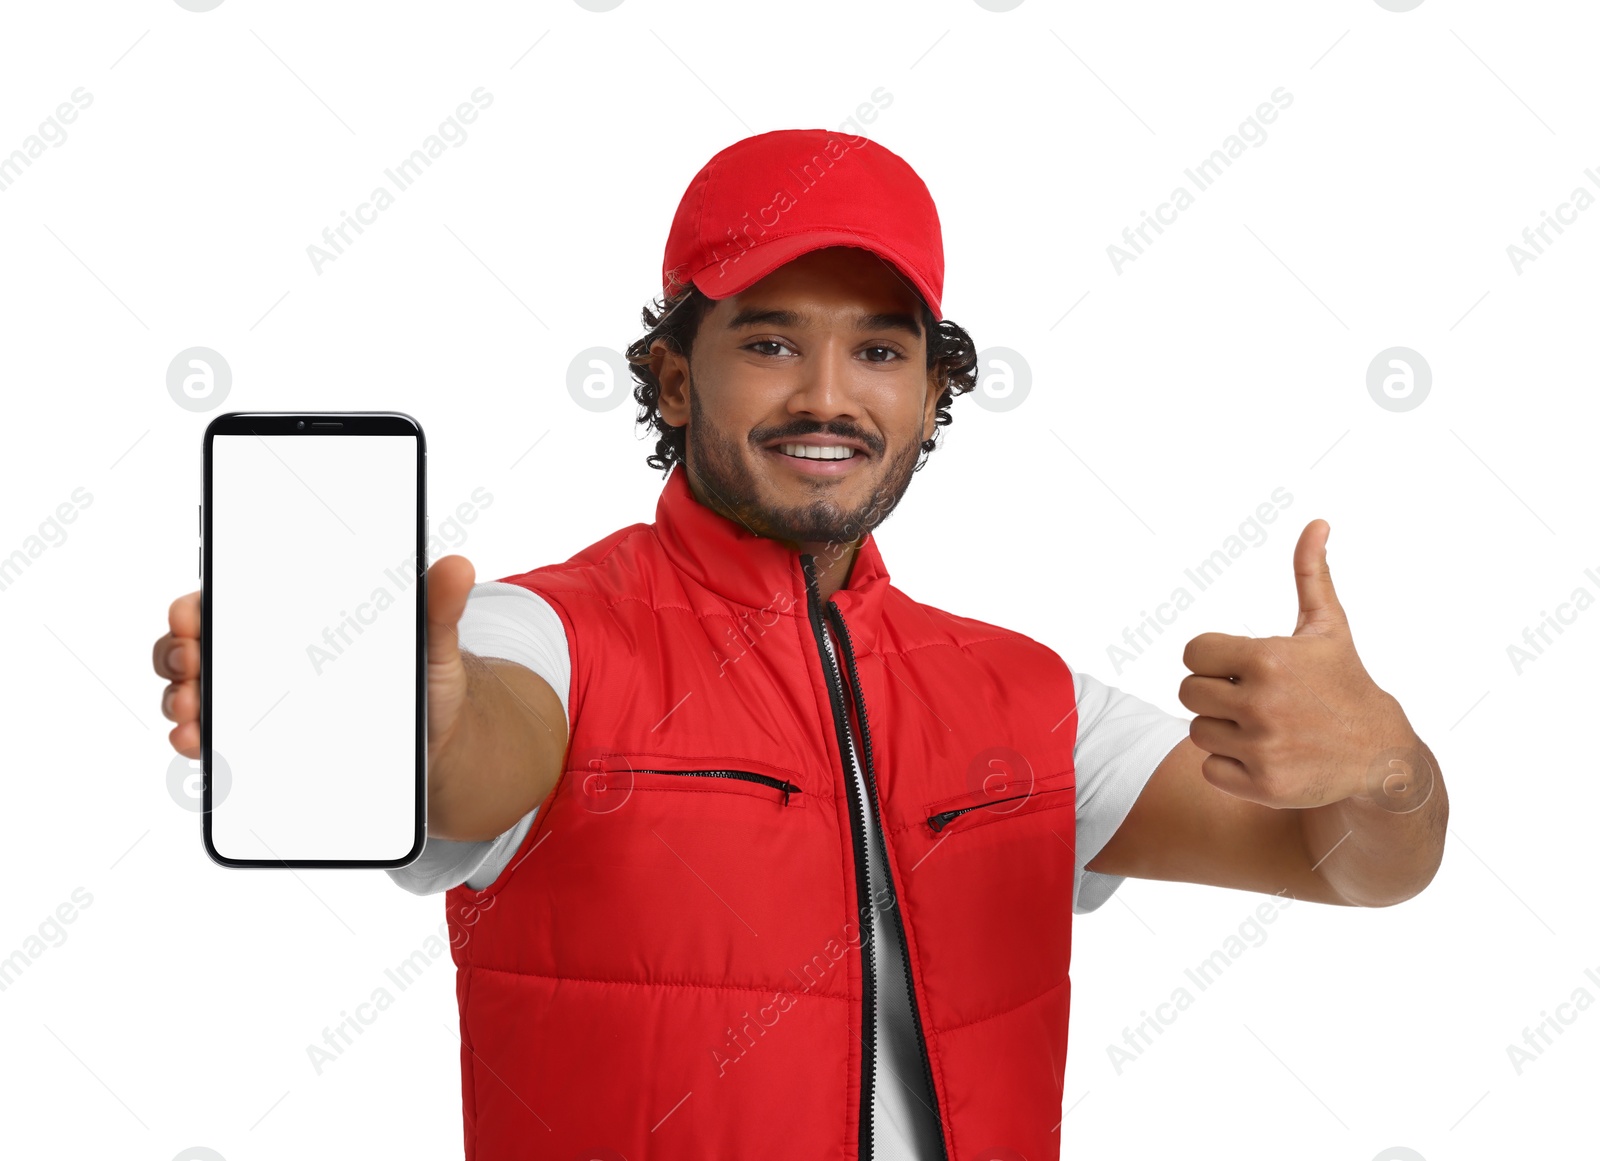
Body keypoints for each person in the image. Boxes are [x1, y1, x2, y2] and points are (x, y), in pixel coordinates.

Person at [153, 128, 1447, 1161]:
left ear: (932, 393)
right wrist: (416, 727)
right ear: (672, 377)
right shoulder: (544, 629)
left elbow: (1351, 869)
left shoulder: (1020, 694)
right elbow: (483, 748)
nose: (828, 394)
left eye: (879, 349)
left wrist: (1382, 769)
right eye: (770, 340)